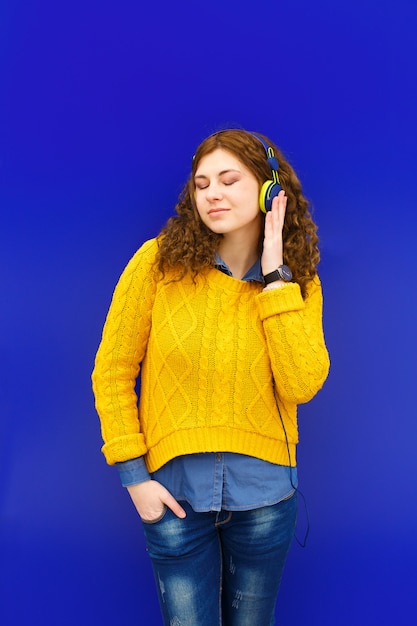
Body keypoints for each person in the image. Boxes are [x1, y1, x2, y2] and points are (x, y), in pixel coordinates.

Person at [92, 128, 330, 626]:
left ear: (270, 191)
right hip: (173, 498)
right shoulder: (157, 265)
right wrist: (134, 478)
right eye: (202, 184)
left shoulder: (297, 285)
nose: (212, 194)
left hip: (266, 499)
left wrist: (275, 279)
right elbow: (112, 370)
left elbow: (301, 384)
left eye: (228, 179)